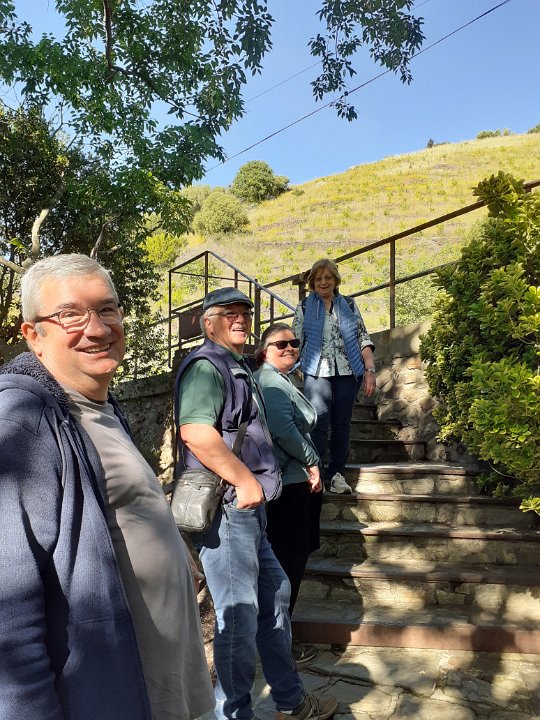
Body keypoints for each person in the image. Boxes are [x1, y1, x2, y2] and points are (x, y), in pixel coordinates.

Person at [0, 254, 214, 720]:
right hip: (116, 696)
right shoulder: (24, 420)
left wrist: (177, 552)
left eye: (107, 309)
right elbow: (8, 608)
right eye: (70, 315)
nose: (97, 329)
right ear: (33, 335)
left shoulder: (101, 406)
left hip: (169, 686)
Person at [174, 287, 337, 720]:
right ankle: (233, 714)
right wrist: (246, 482)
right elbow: (196, 433)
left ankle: (290, 702)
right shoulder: (206, 366)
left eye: (245, 312)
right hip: (230, 510)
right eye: (229, 313)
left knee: (275, 597)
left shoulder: (236, 366)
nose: (240, 318)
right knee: (239, 618)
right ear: (209, 322)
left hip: (249, 511)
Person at [254, 323, 322, 665]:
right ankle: (278, 642)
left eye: (294, 342)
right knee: (287, 563)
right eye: (280, 344)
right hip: (288, 483)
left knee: (289, 561)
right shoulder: (269, 382)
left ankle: (278, 636)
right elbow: (282, 430)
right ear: (264, 351)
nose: (290, 347)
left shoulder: (279, 380)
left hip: (292, 481)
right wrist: (312, 461)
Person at [292, 259, 376, 494]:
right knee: (317, 421)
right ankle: (316, 473)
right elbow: (295, 340)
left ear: (335, 280)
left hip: (348, 371)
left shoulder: (348, 304)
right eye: (318, 278)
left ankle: (337, 475)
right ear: (312, 282)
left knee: (341, 424)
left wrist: (370, 370)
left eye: (328, 277)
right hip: (316, 370)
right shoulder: (305, 307)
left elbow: (363, 337)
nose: (323, 282)